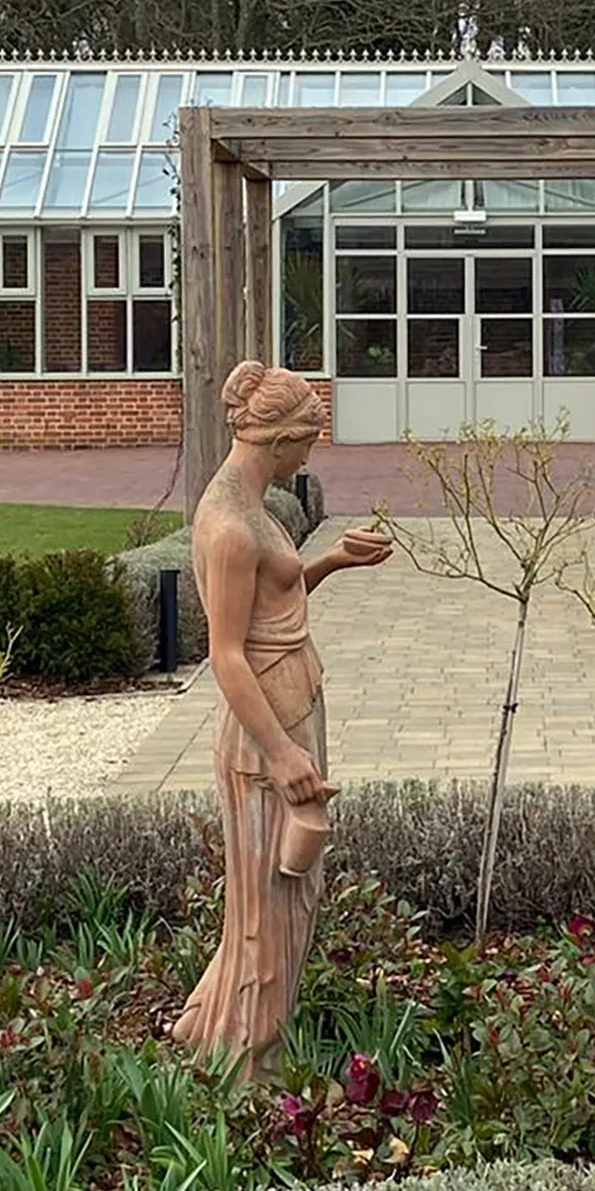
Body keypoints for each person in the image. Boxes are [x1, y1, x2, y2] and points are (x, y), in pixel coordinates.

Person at [170, 360, 392, 1078]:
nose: (310, 455)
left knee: (276, 894)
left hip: (291, 705)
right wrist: (280, 755)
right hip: (268, 728)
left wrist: (328, 562)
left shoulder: (245, 500)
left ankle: (207, 1025)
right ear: (278, 438)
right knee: (276, 902)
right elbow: (227, 655)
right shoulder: (232, 525)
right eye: (308, 441)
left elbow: (273, 603)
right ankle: (247, 1065)